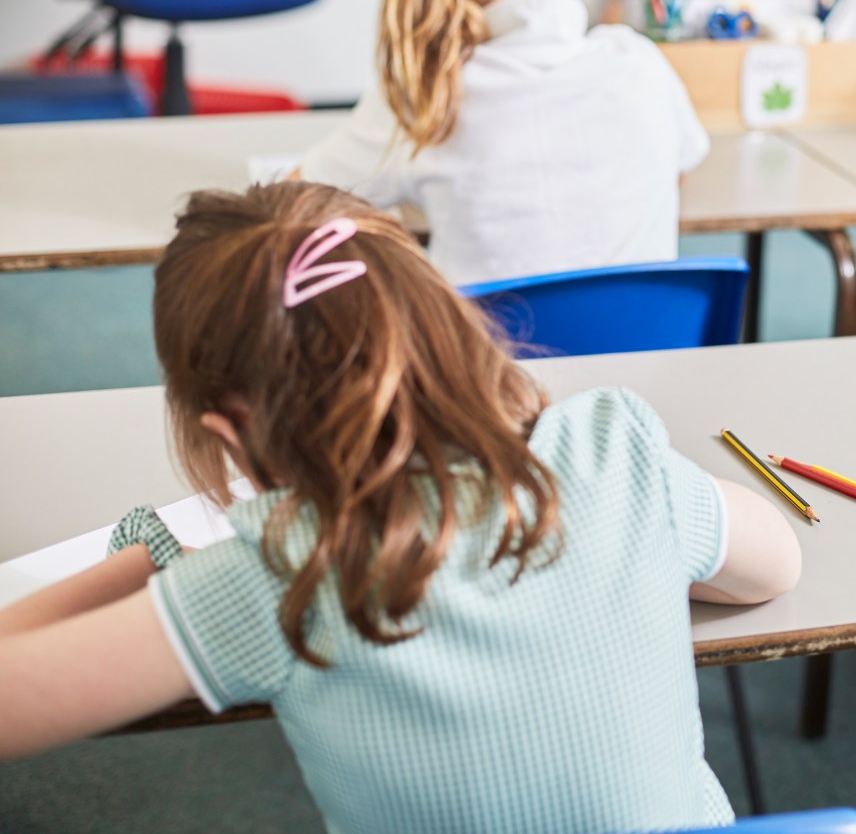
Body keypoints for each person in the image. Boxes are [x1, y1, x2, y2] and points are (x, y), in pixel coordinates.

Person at [0, 182, 802, 834]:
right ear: (448, 325)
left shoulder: (279, 570)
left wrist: (157, 553)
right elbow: (775, 565)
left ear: (229, 430)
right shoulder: (611, 452)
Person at [300, 0, 709, 287]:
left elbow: (298, 202)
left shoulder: (426, 96)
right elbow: (680, 169)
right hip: (647, 348)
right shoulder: (640, 63)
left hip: (487, 352)